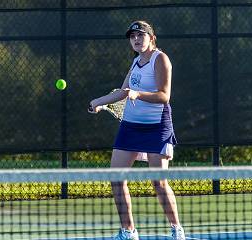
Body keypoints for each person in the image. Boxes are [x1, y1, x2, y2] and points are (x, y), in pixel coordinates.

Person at [89, 20, 186, 240]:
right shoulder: (135, 62)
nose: (135, 39)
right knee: (116, 178)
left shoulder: (160, 59)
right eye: (132, 37)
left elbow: (164, 96)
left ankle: (176, 229)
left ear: (152, 38)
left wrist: (138, 94)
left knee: (159, 183)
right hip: (130, 128)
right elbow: (123, 91)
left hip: (156, 127)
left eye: (140, 35)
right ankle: (128, 231)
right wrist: (98, 101)